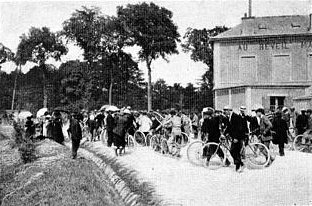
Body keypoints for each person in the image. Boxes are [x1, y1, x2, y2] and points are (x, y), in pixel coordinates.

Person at [223, 106, 245, 172]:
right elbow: (229, 127)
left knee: (234, 151)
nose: (224, 112)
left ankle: (238, 166)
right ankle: (240, 164)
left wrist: (236, 138)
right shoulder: (229, 117)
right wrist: (223, 134)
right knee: (233, 151)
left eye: (225, 110)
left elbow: (239, 128)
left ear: (229, 110)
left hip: (238, 137)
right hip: (234, 137)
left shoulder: (236, 116)